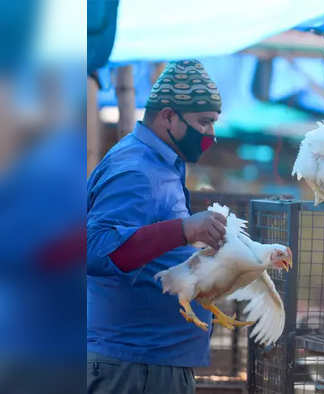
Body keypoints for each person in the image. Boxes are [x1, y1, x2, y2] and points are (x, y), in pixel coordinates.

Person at [87, 59, 226, 394]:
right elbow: (95, 250)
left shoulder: (162, 165)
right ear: (168, 116)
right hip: (134, 366)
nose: (210, 134)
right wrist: (184, 230)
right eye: (204, 122)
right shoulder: (136, 170)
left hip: (150, 364)